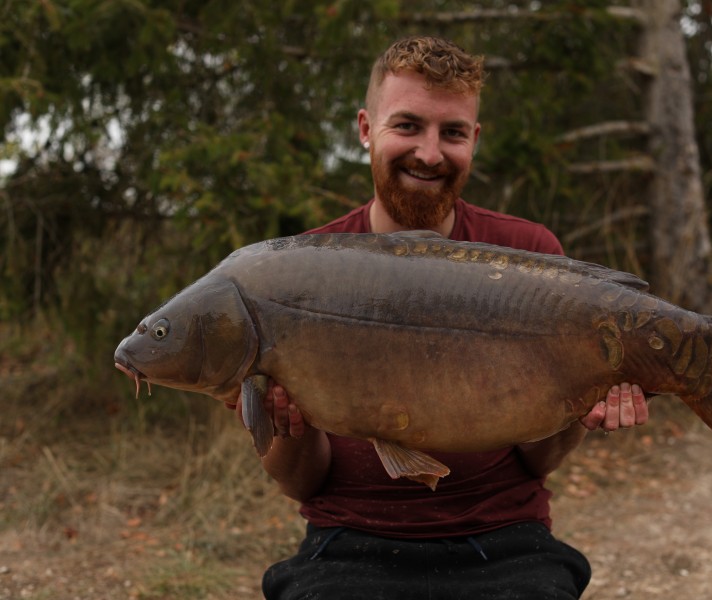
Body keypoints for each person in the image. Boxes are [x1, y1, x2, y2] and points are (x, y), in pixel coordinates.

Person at [238, 36, 649, 599]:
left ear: (474, 140)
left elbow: (538, 462)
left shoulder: (528, 256)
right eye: (407, 125)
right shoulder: (298, 272)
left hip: (504, 540)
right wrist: (289, 423)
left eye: (452, 132)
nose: (430, 154)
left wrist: (582, 400)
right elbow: (300, 482)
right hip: (346, 544)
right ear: (365, 129)